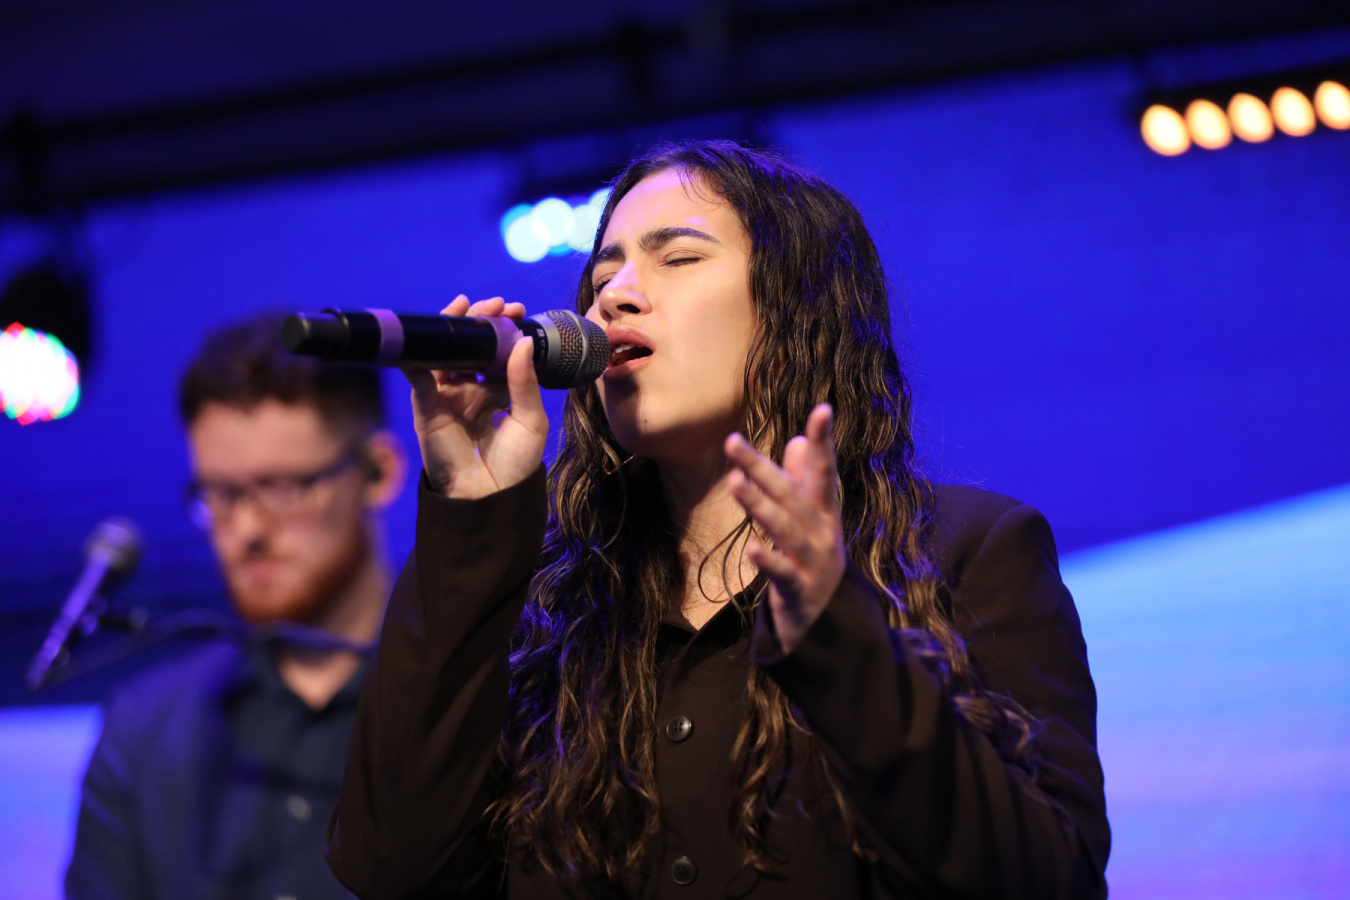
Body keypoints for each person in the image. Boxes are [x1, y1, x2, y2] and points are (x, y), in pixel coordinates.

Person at [325, 141, 1110, 899]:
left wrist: (840, 636)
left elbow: (1047, 880)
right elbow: (392, 870)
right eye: (603, 273)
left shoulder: (966, 551)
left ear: (794, 307)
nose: (615, 294)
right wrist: (472, 519)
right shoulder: (548, 599)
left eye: (678, 258)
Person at [66, 312, 407, 900]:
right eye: (220, 493)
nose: (247, 529)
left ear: (378, 472)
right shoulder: (144, 730)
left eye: (282, 487)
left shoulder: (477, 698)